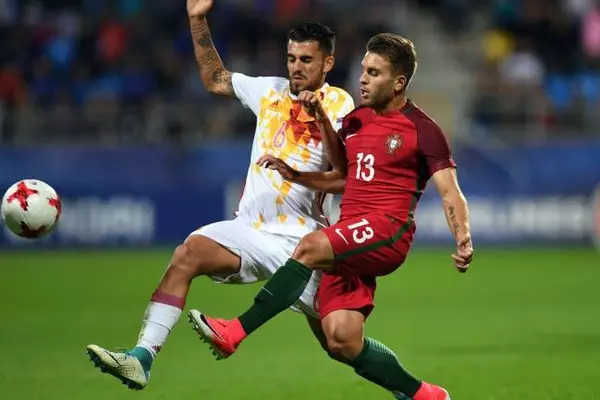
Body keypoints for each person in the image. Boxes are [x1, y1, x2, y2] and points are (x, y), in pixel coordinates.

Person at [85, 0, 354, 390]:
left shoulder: (340, 104)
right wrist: (197, 20)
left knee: (340, 344)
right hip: (249, 230)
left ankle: (409, 388)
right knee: (187, 254)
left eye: (306, 60)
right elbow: (216, 79)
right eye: (291, 58)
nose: (296, 67)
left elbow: (343, 171)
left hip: (303, 246)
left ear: (327, 63)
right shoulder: (270, 91)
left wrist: (322, 118)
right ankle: (141, 358)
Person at [188, 33, 473, 400]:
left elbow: (450, 191)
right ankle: (425, 395)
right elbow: (341, 176)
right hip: (351, 234)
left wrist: (462, 237)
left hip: (388, 229)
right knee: (341, 339)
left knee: (309, 247)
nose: (363, 79)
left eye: (374, 73)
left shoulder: (423, 129)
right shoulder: (354, 121)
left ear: (398, 82)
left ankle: (235, 332)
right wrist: (297, 173)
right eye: (364, 70)